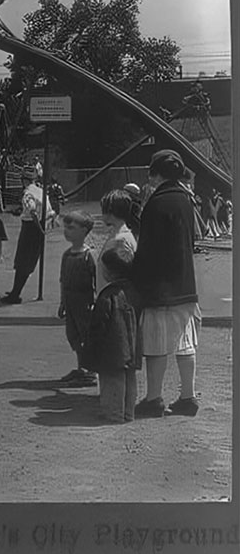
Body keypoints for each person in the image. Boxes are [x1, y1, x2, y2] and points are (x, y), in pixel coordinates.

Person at [131, 150, 201, 418]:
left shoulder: (155, 203)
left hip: (159, 285)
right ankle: (188, 397)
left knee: (156, 342)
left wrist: (136, 277)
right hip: (184, 281)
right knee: (185, 340)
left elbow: (147, 249)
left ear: (155, 173)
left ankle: (153, 398)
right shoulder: (186, 199)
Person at [81, 246, 139, 424]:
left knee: (111, 382)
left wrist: (91, 347)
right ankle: (128, 412)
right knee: (130, 381)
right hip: (132, 345)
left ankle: (113, 414)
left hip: (112, 348)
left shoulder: (107, 296)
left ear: (109, 272)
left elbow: (99, 324)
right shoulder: (134, 291)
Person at [0, 167, 53, 304]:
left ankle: (15, 294)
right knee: (29, 260)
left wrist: (38, 226)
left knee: (22, 261)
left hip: (31, 227)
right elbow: (49, 211)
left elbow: (32, 210)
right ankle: (15, 291)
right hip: (42, 224)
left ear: (23, 180)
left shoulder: (27, 193)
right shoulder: (41, 191)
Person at [57, 210, 97, 387]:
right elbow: (62, 279)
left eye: (71, 228)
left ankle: (91, 370)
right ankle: (81, 367)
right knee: (73, 335)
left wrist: (95, 302)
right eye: (66, 227)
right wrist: (62, 302)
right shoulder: (67, 254)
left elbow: (96, 281)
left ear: (83, 230)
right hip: (70, 300)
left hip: (85, 302)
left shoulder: (89, 255)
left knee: (86, 335)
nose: (67, 231)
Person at [96, 189, 137, 294]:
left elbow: (120, 276)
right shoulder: (120, 234)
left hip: (113, 299)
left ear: (110, 211)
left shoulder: (120, 240)